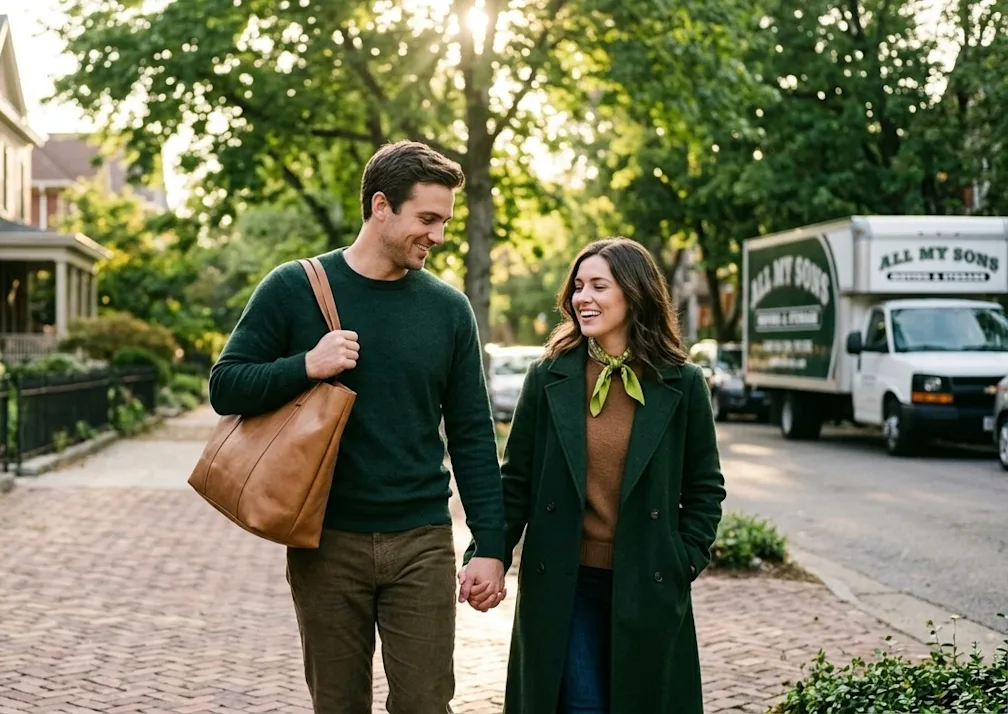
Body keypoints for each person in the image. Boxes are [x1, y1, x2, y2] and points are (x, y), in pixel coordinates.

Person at [208, 140, 508, 714]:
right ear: (380, 207)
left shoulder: (449, 310)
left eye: (445, 221)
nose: (438, 235)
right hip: (325, 541)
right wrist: (306, 365)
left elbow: (471, 434)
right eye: (427, 219)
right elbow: (226, 385)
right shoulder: (293, 287)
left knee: (425, 705)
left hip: (422, 540)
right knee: (338, 705)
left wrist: (490, 546)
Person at [460, 237, 727, 714]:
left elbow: (705, 487)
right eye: (578, 287)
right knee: (583, 705)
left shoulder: (682, 383)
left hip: (648, 578)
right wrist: (489, 552)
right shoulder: (549, 376)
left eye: (599, 286)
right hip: (566, 580)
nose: (583, 298)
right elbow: (516, 479)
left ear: (635, 293)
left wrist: (683, 560)